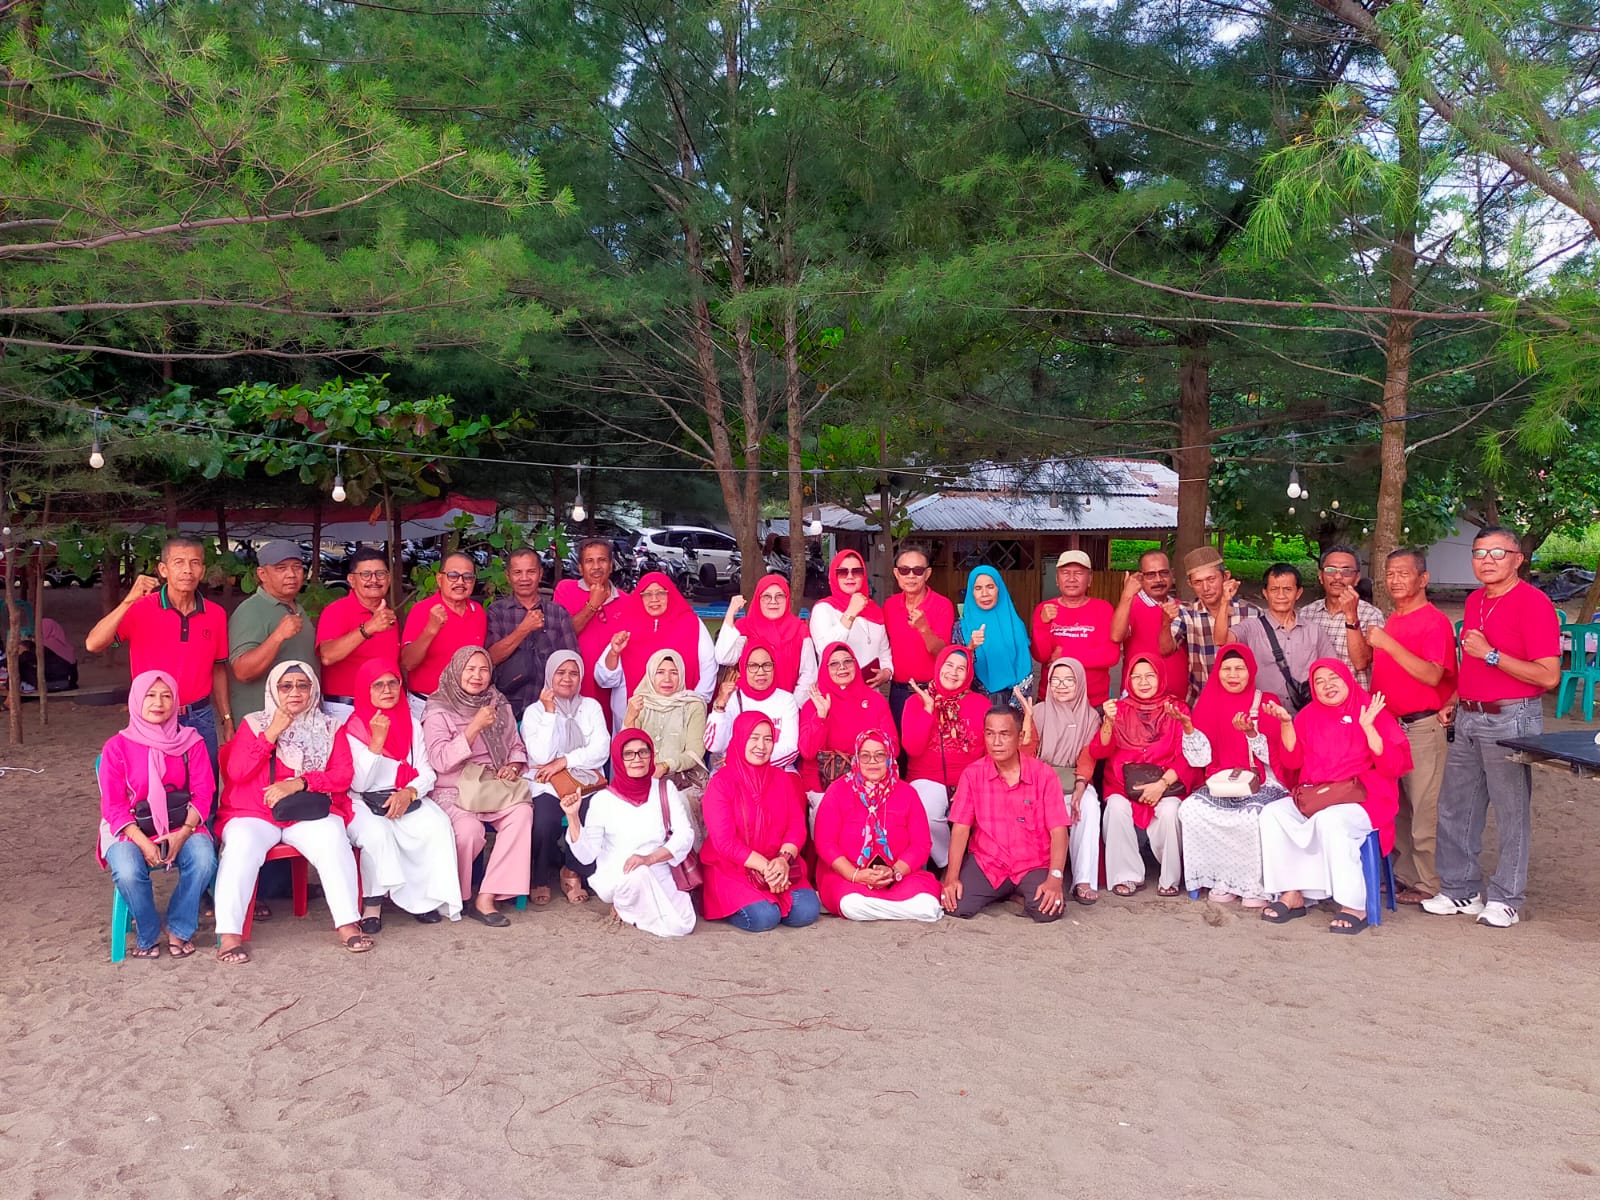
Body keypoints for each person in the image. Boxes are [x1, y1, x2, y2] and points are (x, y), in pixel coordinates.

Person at [1423, 527, 1560, 928]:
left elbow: (1548, 675)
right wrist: (1455, 698)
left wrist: (1492, 654)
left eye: (1498, 553)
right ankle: (1459, 889)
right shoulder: (1475, 599)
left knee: (1510, 809)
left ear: (1518, 559)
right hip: (1469, 714)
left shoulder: (1534, 603)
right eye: (1479, 552)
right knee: (1456, 806)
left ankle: (1506, 898)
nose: (1487, 560)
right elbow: (1471, 662)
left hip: (1512, 715)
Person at [214, 662, 369, 962]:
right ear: (274, 690)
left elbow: (343, 775)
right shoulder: (254, 723)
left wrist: (300, 783)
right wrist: (271, 732)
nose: (294, 692)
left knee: (332, 837)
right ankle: (230, 935)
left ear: (313, 690)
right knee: (241, 845)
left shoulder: (329, 727)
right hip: (254, 812)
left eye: (302, 685)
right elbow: (237, 771)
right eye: (286, 686)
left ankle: (348, 924)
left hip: (305, 811)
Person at [1258, 659, 1411, 934]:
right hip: (1318, 794)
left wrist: (1369, 727)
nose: (1327, 685)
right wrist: (1286, 724)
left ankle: (1354, 905)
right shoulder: (1308, 715)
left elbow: (1393, 766)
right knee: (1272, 814)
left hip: (1365, 797)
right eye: (1319, 681)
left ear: (1347, 679)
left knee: (1331, 821)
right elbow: (1292, 763)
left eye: (1333, 678)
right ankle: (1292, 893)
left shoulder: (1370, 709)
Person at [325, 659, 462, 931]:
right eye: (378, 685)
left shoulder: (412, 724)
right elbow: (359, 784)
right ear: (365, 690)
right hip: (361, 801)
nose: (387, 690)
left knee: (436, 825)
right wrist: (376, 742)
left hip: (405, 795)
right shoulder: (352, 728)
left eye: (392, 683)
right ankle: (372, 906)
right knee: (378, 834)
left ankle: (424, 900)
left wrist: (409, 792)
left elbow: (426, 771)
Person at [96, 671, 218, 958]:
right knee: (127, 871)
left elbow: (204, 794)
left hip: (182, 824)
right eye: (150, 695)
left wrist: (182, 835)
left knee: (204, 860)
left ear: (176, 702)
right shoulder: (116, 747)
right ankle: (147, 931)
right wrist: (143, 842)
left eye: (166, 696)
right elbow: (113, 806)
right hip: (129, 828)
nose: (158, 703)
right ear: (136, 700)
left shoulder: (191, 741)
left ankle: (178, 926)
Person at [85, 534, 232, 765]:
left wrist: (227, 718)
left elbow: (218, 668)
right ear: (163, 569)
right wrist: (128, 601)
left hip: (200, 716)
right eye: (178, 562)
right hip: (153, 716)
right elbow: (93, 644)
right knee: (156, 783)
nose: (187, 570)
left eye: (194, 563)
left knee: (205, 784)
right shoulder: (140, 608)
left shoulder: (215, 614)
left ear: (202, 570)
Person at [1367, 548, 1457, 903]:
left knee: (1424, 807)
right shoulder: (1394, 618)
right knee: (1400, 805)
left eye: (1403, 573)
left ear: (1423, 579)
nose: (1395, 580)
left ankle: (1428, 882)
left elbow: (1433, 674)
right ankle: (1405, 874)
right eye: (1390, 573)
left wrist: (1387, 644)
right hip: (1391, 725)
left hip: (1421, 725)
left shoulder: (1433, 621)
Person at [421, 646, 532, 928]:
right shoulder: (438, 708)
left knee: (522, 813)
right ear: (457, 671)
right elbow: (440, 760)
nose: (477, 676)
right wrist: (474, 727)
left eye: (483, 670)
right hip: (454, 788)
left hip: (492, 784)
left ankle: (486, 897)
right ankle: (453, 895)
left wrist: (513, 766)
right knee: (469, 831)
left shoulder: (497, 702)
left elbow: (515, 745)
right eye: (470, 669)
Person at [1178, 645, 1290, 907]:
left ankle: (1254, 886)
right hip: (1223, 780)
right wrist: (1189, 730)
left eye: (1239, 668)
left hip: (1263, 780)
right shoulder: (1208, 703)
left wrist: (1252, 734)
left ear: (1251, 671)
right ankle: (1222, 879)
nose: (1233, 675)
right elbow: (1200, 760)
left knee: (1252, 816)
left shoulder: (1266, 702)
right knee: (1191, 809)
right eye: (1226, 669)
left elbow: (1279, 756)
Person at [563, 730, 697, 937]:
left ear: (651, 755)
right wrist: (573, 817)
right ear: (618, 758)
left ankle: (629, 910)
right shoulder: (603, 800)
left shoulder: (664, 789)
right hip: (619, 873)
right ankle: (625, 904)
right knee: (637, 876)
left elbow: (685, 834)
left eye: (643, 752)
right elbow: (586, 855)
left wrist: (649, 859)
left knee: (683, 923)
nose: (637, 759)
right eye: (628, 754)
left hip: (657, 867)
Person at [941, 706, 1070, 921]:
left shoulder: (1044, 775)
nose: (996, 742)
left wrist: (1055, 878)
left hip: (1032, 863)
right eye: (990, 734)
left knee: (1049, 910)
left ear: (1020, 737)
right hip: (988, 862)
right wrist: (952, 878)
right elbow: (961, 828)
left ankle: (1014, 891)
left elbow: (1059, 831)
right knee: (955, 906)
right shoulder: (973, 774)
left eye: (1004, 734)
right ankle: (1007, 892)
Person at [699, 713, 820, 932]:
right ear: (740, 738)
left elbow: (796, 826)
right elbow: (725, 842)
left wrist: (783, 860)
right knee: (764, 917)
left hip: (779, 864)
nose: (761, 746)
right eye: (754, 738)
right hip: (734, 868)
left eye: (768, 739)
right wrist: (765, 867)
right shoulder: (721, 783)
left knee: (806, 912)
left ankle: (773, 889)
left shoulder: (783, 780)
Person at [1090, 654, 1197, 897]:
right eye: (1136, 677)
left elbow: (1187, 755)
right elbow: (1099, 751)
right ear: (1128, 680)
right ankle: (1126, 876)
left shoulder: (1177, 709)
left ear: (1161, 678)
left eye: (1150, 675)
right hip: (1123, 785)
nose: (1143, 682)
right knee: (1116, 807)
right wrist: (1108, 722)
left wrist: (1161, 785)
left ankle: (1169, 878)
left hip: (1167, 783)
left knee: (1170, 811)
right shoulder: (1119, 709)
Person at [813, 730, 943, 922]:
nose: (872, 762)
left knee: (928, 905)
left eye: (879, 755)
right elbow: (825, 843)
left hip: (898, 877)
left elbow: (921, 845)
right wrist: (856, 875)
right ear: (856, 758)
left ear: (889, 758)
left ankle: (879, 909)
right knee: (851, 905)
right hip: (850, 877)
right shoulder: (838, 791)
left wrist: (895, 871)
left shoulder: (907, 793)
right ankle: (899, 910)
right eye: (865, 756)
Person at [520, 650, 609, 906]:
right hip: (548, 784)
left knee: (592, 816)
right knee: (544, 821)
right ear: (550, 675)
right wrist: (550, 713)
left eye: (573, 673)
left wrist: (564, 761)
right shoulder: (535, 712)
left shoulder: (590, 707)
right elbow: (540, 755)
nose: (567, 679)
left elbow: (601, 749)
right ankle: (540, 875)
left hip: (586, 782)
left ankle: (572, 871)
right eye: (560, 673)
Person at [1019, 656, 1102, 904]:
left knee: (1088, 805)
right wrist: (1026, 722)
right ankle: (1029, 874)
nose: (1061, 685)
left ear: (1080, 683)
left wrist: (1080, 786)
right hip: (1039, 781)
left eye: (1069, 680)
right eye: (1055, 680)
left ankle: (1083, 880)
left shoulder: (1091, 717)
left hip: (1073, 780)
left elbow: (1087, 757)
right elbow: (1026, 755)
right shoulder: (1038, 712)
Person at [901, 646, 989, 869]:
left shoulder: (981, 704)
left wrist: (973, 782)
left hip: (970, 777)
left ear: (969, 674)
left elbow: (990, 752)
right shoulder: (915, 701)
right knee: (925, 812)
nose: (953, 672)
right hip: (927, 777)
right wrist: (928, 711)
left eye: (961, 668)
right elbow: (912, 748)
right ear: (939, 666)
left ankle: (980, 866)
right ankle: (949, 864)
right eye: (949, 665)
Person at [798, 641, 898, 815]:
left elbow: (893, 747)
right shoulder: (813, 704)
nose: (842, 667)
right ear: (824, 669)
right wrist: (821, 717)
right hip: (824, 784)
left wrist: (866, 759)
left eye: (847, 661)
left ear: (855, 664)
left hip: (869, 779)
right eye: (834, 664)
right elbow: (807, 752)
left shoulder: (875, 701)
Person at [486, 548, 580, 721]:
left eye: (530, 572)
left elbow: (573, 662)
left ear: (540, 573)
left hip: (550, 707)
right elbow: (491, 658)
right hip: (505, 706)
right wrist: (523, 629)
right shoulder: (497, 612)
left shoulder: (558, 613)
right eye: (517, 572)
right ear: (508, 576)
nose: (524, 578)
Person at [228, 540, 317, 721]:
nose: (291, 574)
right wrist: (278, 636)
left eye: (297, 567)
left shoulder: (297, 607)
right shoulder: (251, 610)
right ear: (262, 574)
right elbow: (242, 671)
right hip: (264, 724)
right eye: (281, 568)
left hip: (300, 722)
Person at [1228, 564, 1335, 714]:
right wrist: (1224, 602)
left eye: (1288, 589)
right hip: (1264, 714)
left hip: (1305, 714)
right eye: (1274, 589)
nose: (1281, 595)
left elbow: (1332, 669)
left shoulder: (1314, 631)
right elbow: (1222, 640)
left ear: (1298, 593)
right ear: (1265, 593)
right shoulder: (1251, 628)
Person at [596, 571, 717, 704]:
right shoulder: (626, 625)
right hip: (633, 709)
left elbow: (708, 664)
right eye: (647, 594)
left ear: (669, 594)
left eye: (660, 593)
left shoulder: (691, 623)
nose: (654, 599)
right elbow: (605, 680)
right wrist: (614, 653)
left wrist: (697, 700)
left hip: (681, 709)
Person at [1162, 544, 1261, 704]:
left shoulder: (1251, 613)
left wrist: (1224, 602)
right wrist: (1165, 623)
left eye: (1211, 579)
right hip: (1201, 701)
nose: (1206, 588)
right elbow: (1165, 650)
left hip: (1245, 704)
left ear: (1226, 576)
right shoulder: (1186, 613)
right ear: (1190, 584)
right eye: (1198, 582)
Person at [553, 537, 631, 728]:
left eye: (602, 560)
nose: (596, 567)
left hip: (611, 691)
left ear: (611, 565)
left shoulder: (627, 601)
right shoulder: (566, 589)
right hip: (572, 686)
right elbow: (561, 634)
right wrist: (593, 604)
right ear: (580, 568)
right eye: (589, 561)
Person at [315, 547, 400, 721]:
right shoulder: (336, 611)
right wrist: (368, 628)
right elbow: (327, 656)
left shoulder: (388, 616)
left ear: (389, 578)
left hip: (384, 706)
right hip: (346, 708)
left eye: (380, 574)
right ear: (352, 580)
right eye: (366, 574)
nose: (374, 580)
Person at [1029, 550, 1118, 705]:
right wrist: (1043, 625)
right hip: (1052, 699)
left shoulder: (1104, 609)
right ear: (1057, 579)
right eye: (1065, 573)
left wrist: (1066, 655)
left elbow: (1110, 655)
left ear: (1089, 579)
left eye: (1078, 573)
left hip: (1093, 701)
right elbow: (1041, 656)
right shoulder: (1045, 609)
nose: (1071, 578)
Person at [402, 552, 488, 709]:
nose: (460, 582)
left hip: (467, 704)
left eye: (467, 577)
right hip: (427, 703)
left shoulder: (478, 612)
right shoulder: (422, 610)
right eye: (453, 576)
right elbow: (408, 663)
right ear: (439, 579)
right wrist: (430, 630)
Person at [882, 545, 954, 729]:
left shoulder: (942, 605)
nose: (911, 576)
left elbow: (942, 652)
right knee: (900, 743)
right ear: (896, 573)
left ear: (927, 574)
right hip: (899, 691)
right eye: (904, 570)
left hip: (931, 690)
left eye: (918, 570)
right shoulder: (890, 606)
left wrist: (924, 628)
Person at [715, 573, 819, 698]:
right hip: (749, 703)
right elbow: (723, 657)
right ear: (758, 599)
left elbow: (809, 674)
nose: (773, 601)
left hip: (787, 704)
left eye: (779, 596)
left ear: (787, 599)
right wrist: (731, 612)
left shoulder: (800, 630)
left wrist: (792, 703)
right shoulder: (745, 627)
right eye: (766, 596)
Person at [1300, 545, 1384, 687]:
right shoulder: (1306, 613)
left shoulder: (1371, 615)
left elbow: (1361, 663)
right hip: (1315, 697)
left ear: (1357, 578)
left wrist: (1351, 616)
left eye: (1346, 571)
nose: (1338, 577)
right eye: (1330, 570)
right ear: (1320, 576)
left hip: (1355, 697)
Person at [706, 643, 800, 770]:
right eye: (753, 666)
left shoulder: (786, 699)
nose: (761, 672)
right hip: (733, 771)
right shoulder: (731, 698)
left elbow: (790, 748)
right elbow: (714, 746)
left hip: (776, 770)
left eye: (767, 665)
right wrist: (720, 706)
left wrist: (747, 761)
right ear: (743, 668)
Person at [1110, 550, 1187, 701]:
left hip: (1178, 699)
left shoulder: (1182, 608)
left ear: (1172, 574)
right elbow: (1116, 636)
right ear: (1140, 577)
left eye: (1163, 573)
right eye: (1150, 575)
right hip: (1138, 700)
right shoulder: (1130, 605)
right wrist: (1127, 595)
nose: (1158, 579)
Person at [808, 550, 892, 687]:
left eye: (857, 571)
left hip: (869, 691)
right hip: (837, 692)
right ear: (834, 576)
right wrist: (851, 612)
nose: (850, 576)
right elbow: (825, 650)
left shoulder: (874, 610)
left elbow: (884, 651)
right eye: (842, 572)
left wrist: (887, 672)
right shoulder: (824, 609)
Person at [955, 566, 1034, 702]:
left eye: (990, 587)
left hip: (1013, 701)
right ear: (971, 593)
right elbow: (955, 669)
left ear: (999, 589)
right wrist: (971, 647)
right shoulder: (961, 628)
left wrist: (1015, 706)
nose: (984, 593)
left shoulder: (1015, 625)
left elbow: (1025, 668)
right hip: (974, 702)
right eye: (978, 588)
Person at [16, 617, 79, 691]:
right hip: (69, 684)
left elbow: (25, 658)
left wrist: (23, 649)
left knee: (23, 667)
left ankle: (18, 686)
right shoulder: (66, 646)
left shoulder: (45, 647)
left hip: (51, 685)